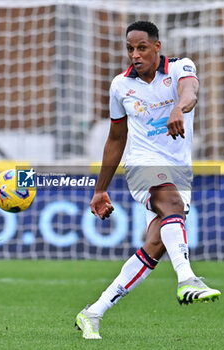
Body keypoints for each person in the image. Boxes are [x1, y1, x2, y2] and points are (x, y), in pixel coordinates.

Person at [75, 21, 221, 339]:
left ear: (157, 46)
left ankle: (92, 313)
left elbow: (190, 91)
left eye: (141, 47)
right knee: (170, 203)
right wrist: (101, 189)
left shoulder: (181, 67)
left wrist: (178, 110)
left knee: (154, 246)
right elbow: (115, 138)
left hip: (179, 170)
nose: (135, 54)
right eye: (130, 49)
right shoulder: (120, 86)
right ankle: (187, 280)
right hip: (142, 165)